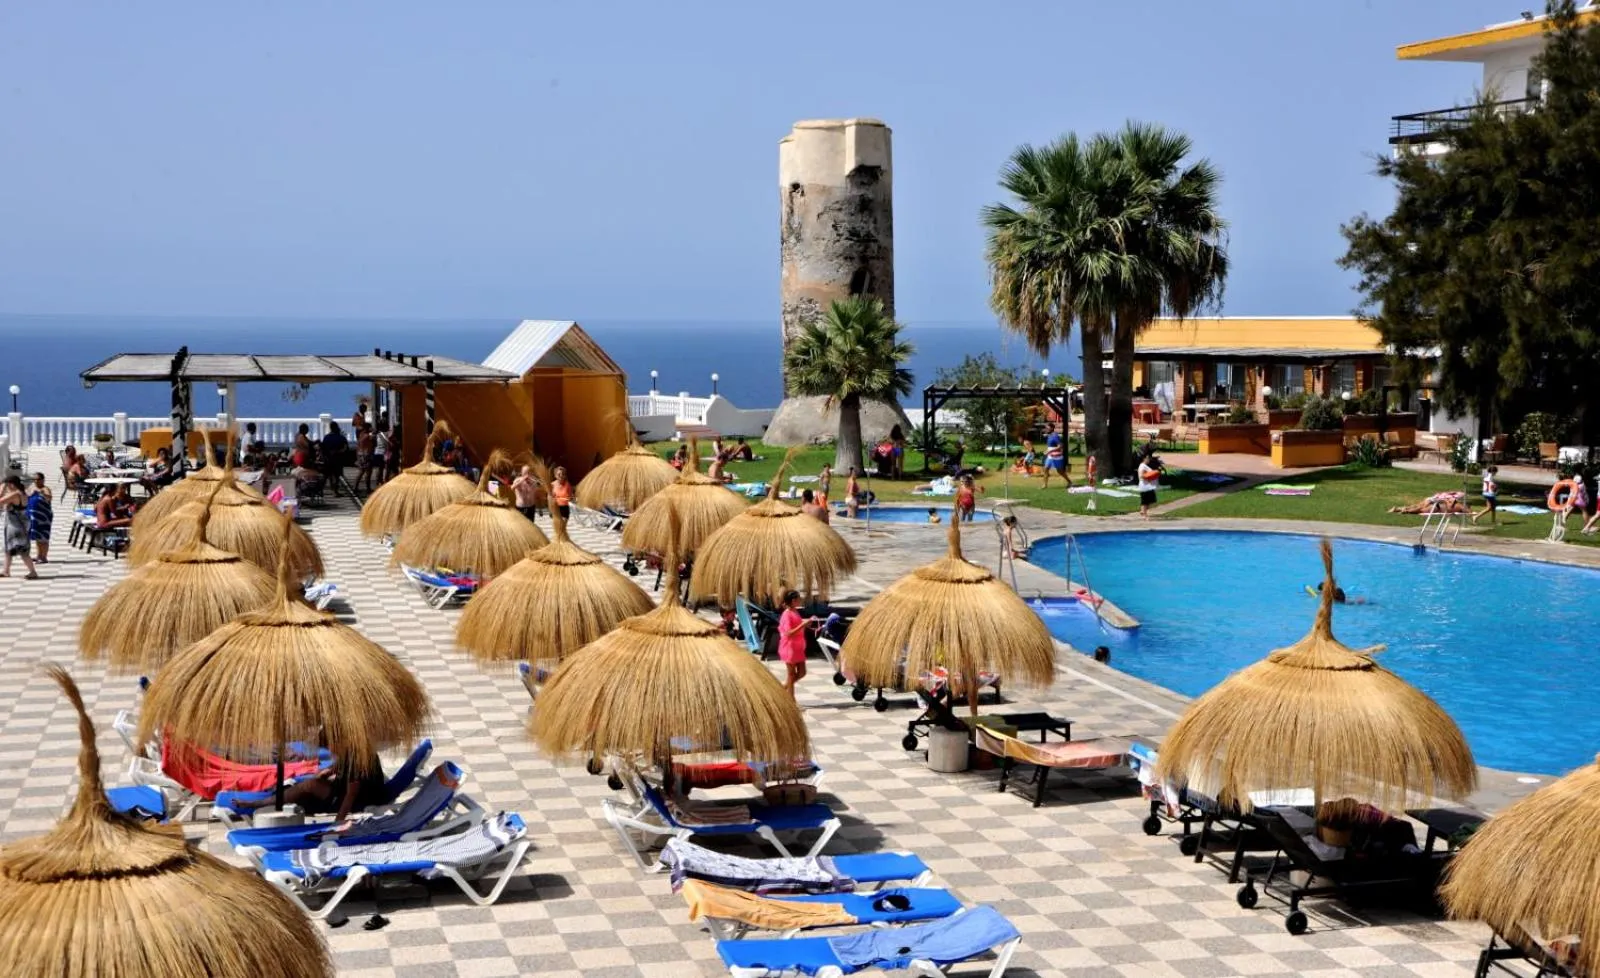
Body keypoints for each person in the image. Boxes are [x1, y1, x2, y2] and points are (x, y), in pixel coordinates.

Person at [232, 753, 387, 823]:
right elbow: (340, 767)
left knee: (309, 785)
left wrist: (337, 823)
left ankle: (257, 803)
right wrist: (328, 772)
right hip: (346, 792)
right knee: (303, 792)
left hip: (360, 800)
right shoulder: (355, 750)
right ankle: (273, 800)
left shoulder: (358, 758)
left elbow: (351, 794)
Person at [777, 589, 815, 701]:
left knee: (802, 672)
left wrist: (805, 623)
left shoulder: (794, 611)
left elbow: (797, 624)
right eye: (798, 598)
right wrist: (803, 624)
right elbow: (788, 633)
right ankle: (791, 700)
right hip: (789, 647)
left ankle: (782, 688)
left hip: (798, 647)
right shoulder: (786, 614)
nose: (800, 600)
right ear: (793, 600)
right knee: (791, 674)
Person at [1, 476, 38, 580]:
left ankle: (33, 572)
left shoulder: (15, 494)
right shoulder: (22, 493)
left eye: (7, 485)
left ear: (11, 484)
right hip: (20, 524)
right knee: (9, 549)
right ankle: (6, 570)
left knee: (22, 550)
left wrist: (2, 488)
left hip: (15, 526)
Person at [26, 473, 52, 564]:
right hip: (33, 516)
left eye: (38, 479)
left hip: (44, 516)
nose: (36, 481)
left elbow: (49, 498)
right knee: (37, 537)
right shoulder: (31, 487)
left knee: (43, 537)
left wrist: (42, 493)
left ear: (43, 480)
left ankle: (44, 557)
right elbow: (25, 496)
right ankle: (38, 555)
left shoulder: (45, 489)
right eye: (34, 479)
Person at [1041, 425, 1070, 489]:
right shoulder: (1049, 436)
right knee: (1045, 469)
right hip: (1050, 456)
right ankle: (1045, 485)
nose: (1046, 429)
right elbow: (1050, 446)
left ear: (1052, 428)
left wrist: (1050, 451)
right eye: (1046, 428)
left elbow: (1060, 446)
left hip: (1057, 457)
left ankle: (1069, 482)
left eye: (1047, 428)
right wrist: (1047, 450)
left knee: (1060, 471)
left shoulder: (1055, 436)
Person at [1137, 450, 1162, 519]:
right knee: (1145, 501)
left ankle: (1142, 511)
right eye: (1147, 458)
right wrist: (1149, 477)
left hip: (1148, 486)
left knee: (1151, 500)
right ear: (1144, 459)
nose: (1149, 459)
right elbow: (1141, 475)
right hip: (1145, 486)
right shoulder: (1142, 466)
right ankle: (1145, 515)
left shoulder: (1145, 466)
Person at [354, 422, 378, 492]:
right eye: (370, 427)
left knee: (361, 471)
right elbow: (375, 443)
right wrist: (374, 432)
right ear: (368, 428)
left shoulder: (361, 434)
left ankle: (355, 487)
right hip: (367, 455)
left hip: (360, 454)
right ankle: (368, 488)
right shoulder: (369, 436)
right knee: (368, 472)